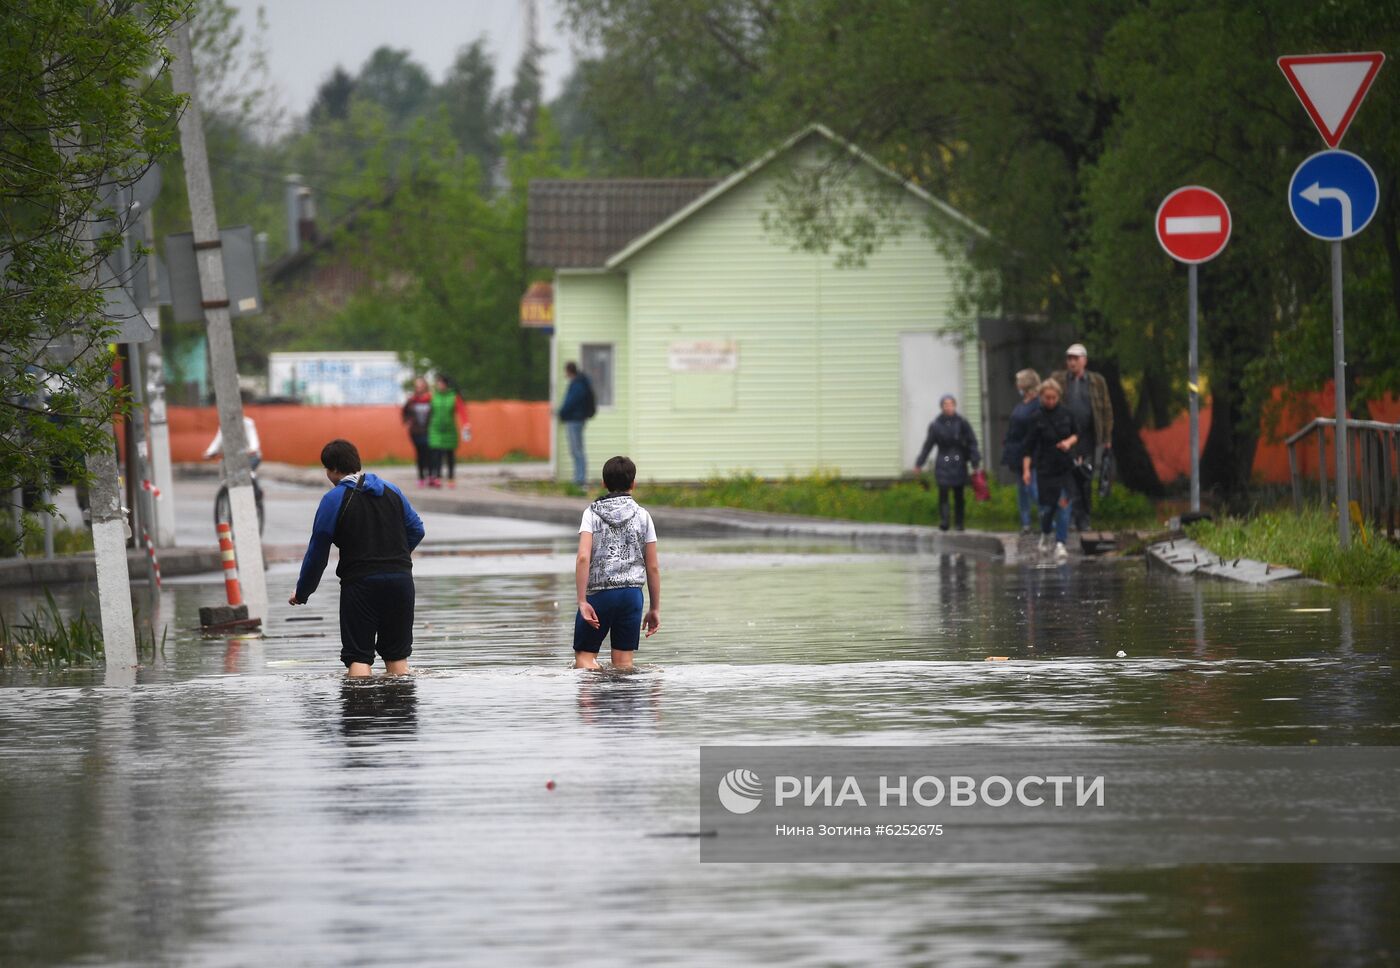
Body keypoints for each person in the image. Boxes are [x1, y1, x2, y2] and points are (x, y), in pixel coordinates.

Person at [290, 439, 425, 677]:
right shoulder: (392, 490)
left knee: (360, 659)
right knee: (397, 661)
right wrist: (395, 556)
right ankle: (401, 712)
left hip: (361, 585)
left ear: (332, 469)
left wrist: (303, 592)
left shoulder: (333, 499)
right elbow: (416, 529)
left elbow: (318, 551)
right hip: (401, 582)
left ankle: (360, 713)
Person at [573, 455, 660, 671]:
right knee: (623, 665)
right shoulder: (643, 516)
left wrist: (582, 601)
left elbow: (583, 557)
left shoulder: (591, 514)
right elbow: (653, 567)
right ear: (633, 484)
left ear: (604, 483)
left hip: (599, 595)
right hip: (632, 596)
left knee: (585, 660)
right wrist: (654, 608)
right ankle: (625, 702)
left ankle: (593, 699)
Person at [1051, 343, 1112, 531]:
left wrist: (1107, 437)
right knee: (1066, 476)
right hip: (1065, 437)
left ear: (1084, 360)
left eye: (1075, 359)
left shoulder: (1096, 381)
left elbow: (1107, 410)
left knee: (1085, 477)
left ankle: (1084, 518)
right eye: (1069, 358)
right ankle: (1068, 517)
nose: (1072, 362)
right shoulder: (1059, 380)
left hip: (1087, 437)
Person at [1022, 379, 1078, 562]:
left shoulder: (1067, 414)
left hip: (1065, 466)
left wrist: (1068, 442)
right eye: (1047, 398)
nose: (1051, 401)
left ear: (1059, 397)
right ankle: (1046, 533)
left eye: (1054, 398)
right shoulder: (1036, 418)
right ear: (1041, 397)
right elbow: (1028, 448)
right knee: (1047, 507)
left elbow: (1077, 434)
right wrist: (1026, 471)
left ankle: (1060, 543)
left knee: (1064, 504)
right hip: (1045, 468)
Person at [914, 394, 981, 532]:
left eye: (951, 404)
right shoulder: (936, 425)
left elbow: (972, 442)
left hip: (958, 460)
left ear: (955, 405)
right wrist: (919, 462)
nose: (949, 407)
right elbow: (928, 445)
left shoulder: (962, 422)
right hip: (943, 460)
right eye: (946, 404)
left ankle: (959, 522)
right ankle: (944, 521)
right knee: (943, 491)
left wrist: (975, 461)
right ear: (942, 407)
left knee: (959, 493)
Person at [1001, 368, 1041, 534]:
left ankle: (1047, 518)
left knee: (1032, 487)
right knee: (1022, 489)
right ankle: (1025, 523)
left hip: (1030, 451)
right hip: (1016, 451)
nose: (1017, 385)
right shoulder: (1021, 404)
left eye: (1019, 381)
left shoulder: (1037, 404)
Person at [426, 374, 470, 489]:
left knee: (450, 455)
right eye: (438, 383)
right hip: (435, 429)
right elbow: (425, 408)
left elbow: (462, 411)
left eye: (440, 383)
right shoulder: (433, 396)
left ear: (446, 384)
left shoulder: (454, 397)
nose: (438, 385)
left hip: (450, 430)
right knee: (437, 455)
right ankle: (438, 478)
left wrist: (466, 425)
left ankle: (451, 477)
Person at [557, 362, 595, 488]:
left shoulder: (577, 384)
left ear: (569, 371)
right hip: (577, 419)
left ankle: (580, 479)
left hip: (575, 420)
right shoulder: (580, 382)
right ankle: (578, 478)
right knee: (576, 450)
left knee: (577, 450)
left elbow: (570, 401)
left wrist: (561, 413)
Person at [401, 377, 433, 487]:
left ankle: (430, 475)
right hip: (415, 431)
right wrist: (407, 421)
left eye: (421, 385)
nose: (419, 388)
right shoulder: (412, 400)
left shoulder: (431, 399)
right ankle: (421, 477)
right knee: (419, 453)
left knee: (429, 453)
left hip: (429, 430)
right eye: (417, 386)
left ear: (425, 386)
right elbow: (404, 412)